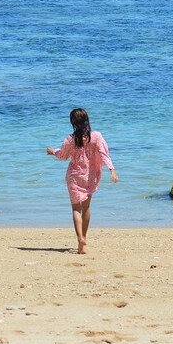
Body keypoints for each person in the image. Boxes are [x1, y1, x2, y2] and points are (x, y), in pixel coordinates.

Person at [46, 108, 117, 254]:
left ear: (73, 123)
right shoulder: (96, 136)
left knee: (75, 209)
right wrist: (112, 170)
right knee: (86, 208)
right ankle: (84, 238)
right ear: (87, 120)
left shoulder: (70, 139)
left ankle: (80, 239)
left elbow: (63, 156)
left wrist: (53, 151)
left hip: (74, 176)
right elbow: (104, 153)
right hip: (91, 176)